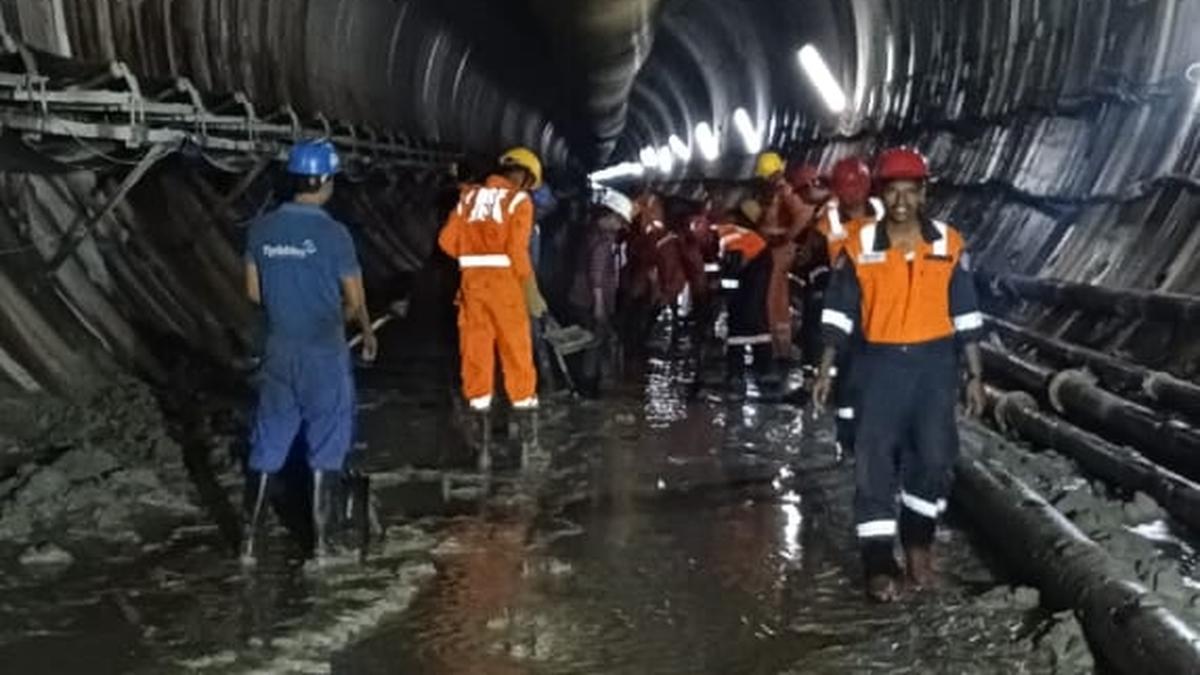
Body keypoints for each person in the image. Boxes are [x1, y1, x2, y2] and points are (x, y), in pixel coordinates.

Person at [812, 147, 986, 602]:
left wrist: (975, 375)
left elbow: (965, 313)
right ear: (881, 194)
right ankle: (878, 564)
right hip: (878, 366)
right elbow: (839, 313)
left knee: (932, 459)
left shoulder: (948, 243)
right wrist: (826, 369)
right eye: (893, 191)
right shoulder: (860, 246)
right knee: (874, 466)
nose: (902, 201)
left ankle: (918, 544)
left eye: (912, 191)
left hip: (934, 368)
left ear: (924, 193)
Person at [242, 140, 378, 564]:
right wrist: (367, 331)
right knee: (326, 443)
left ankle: (247, 545)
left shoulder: (260, 229)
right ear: (322, 181)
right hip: (323, 352)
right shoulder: (333, 234)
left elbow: (252, 292)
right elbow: (354, 300)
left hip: (279, 349)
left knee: (268, 443)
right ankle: (322, 546)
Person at [438, 147, 548, 467]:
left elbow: (446, 242)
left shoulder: (469, 198)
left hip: (472, 288)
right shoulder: (519, 201)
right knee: (517, 359)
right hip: (505, 288)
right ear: (525, 178)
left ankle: (482, 451)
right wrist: (531, 290)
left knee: (476, 360)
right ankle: (528, 447)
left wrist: (474, 255)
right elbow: (516, 251)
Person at [811, 156, 886, 456]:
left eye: (857, 186)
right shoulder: (826, 221)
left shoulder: (887, 211)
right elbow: (813, 262)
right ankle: (848, 443)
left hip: (882, 307)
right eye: (847, 187)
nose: (852, 193)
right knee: (850, 378)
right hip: (846, 305)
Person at [567, 187, 631, 397]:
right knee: (593, 343)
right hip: (591, 300)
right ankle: (588, 387)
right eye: (620, 221)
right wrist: (600, 305)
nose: (620, 227)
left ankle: (584, 384)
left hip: (578, 297)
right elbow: (596, 274)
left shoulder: (587, 233)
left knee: (588, 343)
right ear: (611, 215)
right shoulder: (602, 241)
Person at [716, 208, 771, 388]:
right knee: (752, 313)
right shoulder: (724, 234)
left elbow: (731, 276)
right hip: (758, 259)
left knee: (743, 314)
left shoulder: (728, 241)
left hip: (758, 262)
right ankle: (763, 370)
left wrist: (726, 302)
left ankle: (738, 373)